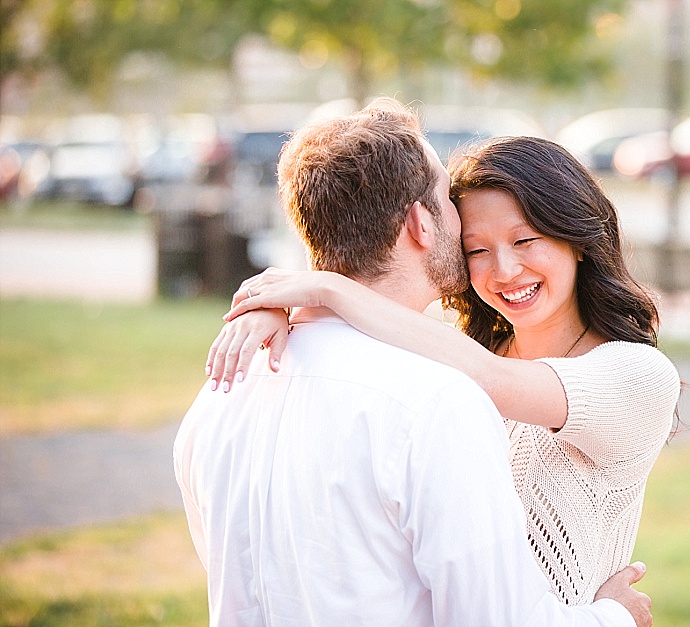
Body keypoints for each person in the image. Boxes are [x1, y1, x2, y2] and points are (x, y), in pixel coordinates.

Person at [176, 99, 653, 627]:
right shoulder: (437, 398)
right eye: (472, 242)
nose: (504, 267)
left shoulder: (221, 396)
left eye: (525, 240)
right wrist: (614, 618)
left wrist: (312, 292)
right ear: (422, 223)